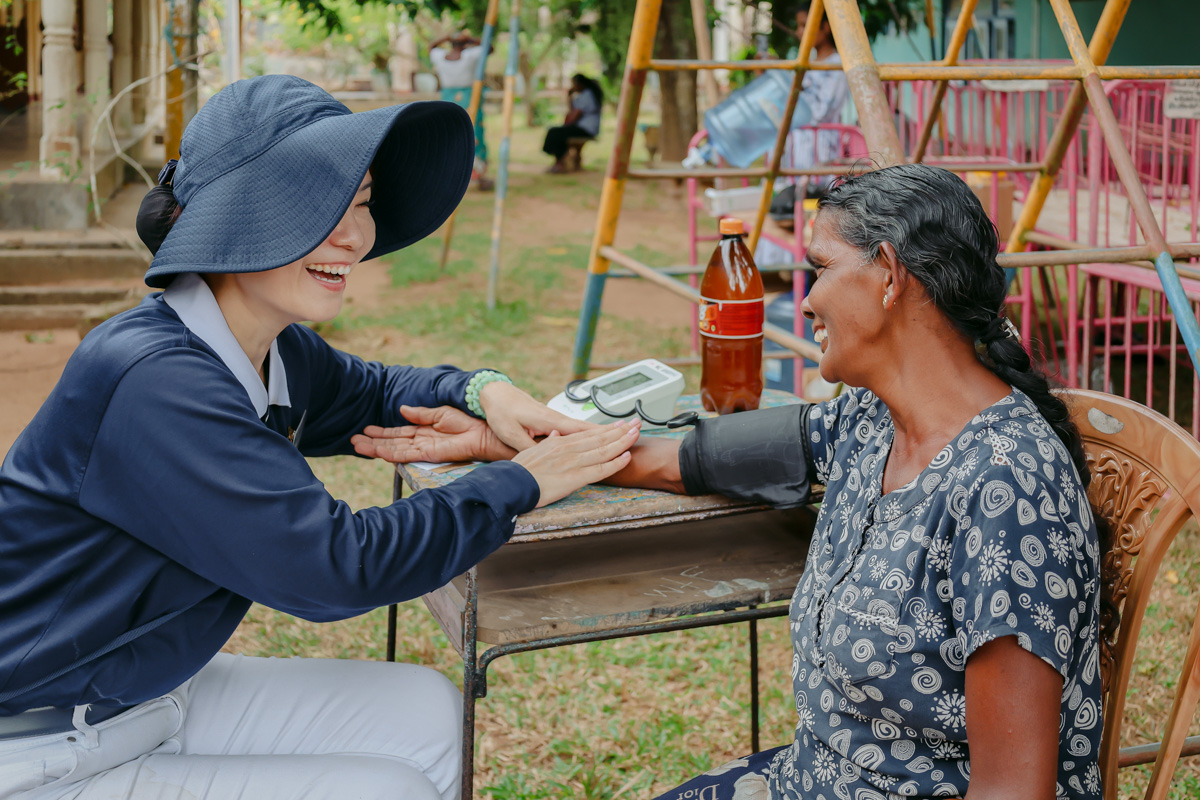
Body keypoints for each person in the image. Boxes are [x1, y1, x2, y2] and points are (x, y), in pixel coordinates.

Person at [0, 74, 640, 800]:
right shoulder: (154, 379)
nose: (355, 234)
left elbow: (373, 390)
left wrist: (482, 390)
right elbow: (333, 567)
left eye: (361, 201)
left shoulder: (266, 348)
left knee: (427, 712)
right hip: (40, 740)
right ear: (238, 217)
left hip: (146, 691)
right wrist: (525, 480)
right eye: (319, 203)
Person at [391, 164, 1114, 800]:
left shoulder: (1006, 488)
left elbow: (1012, 791)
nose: (802, 301)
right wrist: (506, 439)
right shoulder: (870, 422)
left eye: (821, 267)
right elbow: (686, 457)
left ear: (889, 276)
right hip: (811, 780)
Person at [429, 30, 492, 189]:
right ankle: (475, 172)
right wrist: (471, 39)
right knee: (474, 132)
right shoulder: (470, 56)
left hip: (447, 98)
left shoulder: (439, 56)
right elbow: (489, 48)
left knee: (451, 133)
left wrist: (445, 36)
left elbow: (431, 47)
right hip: (469, 98)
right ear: (465, 44)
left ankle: (454, 170)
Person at [543, 73, 603, 174]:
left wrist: (566, 126)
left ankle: (560, 162)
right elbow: (573, 111)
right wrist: (569, 97)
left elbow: (575, 115)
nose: (573, 87)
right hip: (583, 128)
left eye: (574, 84)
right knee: (558, 132)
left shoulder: (587, 95)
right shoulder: (586, 94)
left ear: (580, 84)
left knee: (556, 133)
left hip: (585, 129)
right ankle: (561, 161)